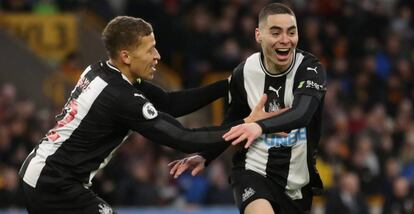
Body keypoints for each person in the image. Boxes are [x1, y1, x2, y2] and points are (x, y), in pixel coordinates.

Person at [18, 16, 279, 214]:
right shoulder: (120, 96)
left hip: (41, 173)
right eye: (150, 49)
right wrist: (247, 124)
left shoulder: (103, 70)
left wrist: (229, 85)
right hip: (53, 185)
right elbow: (183, 138)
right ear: (126, 56)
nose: (158, 56)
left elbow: (169, 103)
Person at [169, 3, 327, 214]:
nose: (285, 40)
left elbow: (302, 113)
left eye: (291, 32)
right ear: (258, 35)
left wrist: (259, 126)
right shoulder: (244, 72)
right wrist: (207, 155)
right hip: (253, 172)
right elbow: (232, 122)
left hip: (297, 184)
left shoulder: (310, 69)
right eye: (276, 32)